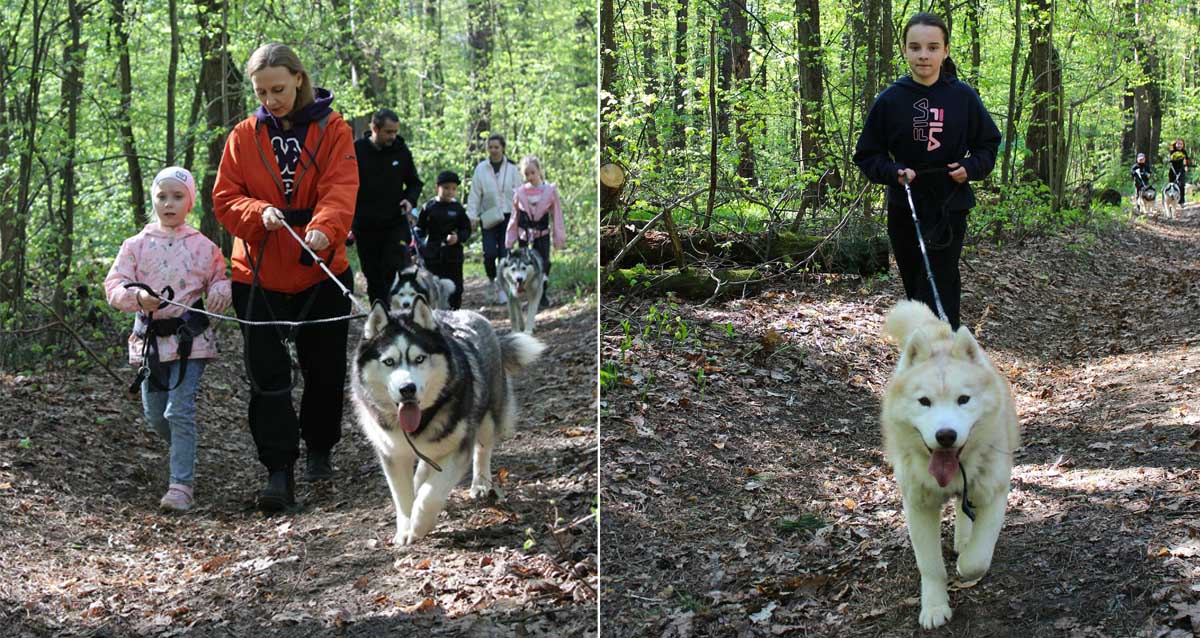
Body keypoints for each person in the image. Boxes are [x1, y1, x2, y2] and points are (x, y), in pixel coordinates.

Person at [212, 43, 359, 512]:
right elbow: (225, 198)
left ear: (299, 78)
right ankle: (279, 469)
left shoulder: (333, 129)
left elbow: (341, 186)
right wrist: (259, 213)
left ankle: (320, 448)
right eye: (262, 91)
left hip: (321, 267)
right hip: (256, 272)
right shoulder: (242, 135)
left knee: (325, 368)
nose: (271, 99)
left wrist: (323, 229)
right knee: (268, 377)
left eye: (278, 88)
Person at [853, 12, 1001, 332]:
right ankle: (923, 357)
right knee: (915, 281)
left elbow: (988, 144)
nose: (924, 55)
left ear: (945, 50)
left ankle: (944, 357)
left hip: (950, 201)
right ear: (905, 50)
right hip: (905, 203)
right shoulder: (890, 100)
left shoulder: (963, 96)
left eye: (933, 47)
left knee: (941, 281)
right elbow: (866, 154)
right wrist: (894, 172)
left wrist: (970, 168)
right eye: (915, 47)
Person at [104, 167, 231, 512]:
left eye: (177, 197)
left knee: (179, 411)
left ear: (189, 203)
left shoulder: (204, 247)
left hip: (192, 342)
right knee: (157, 416)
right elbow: (114, 286)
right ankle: (184, 449)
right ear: (153, 201)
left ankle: (180, 486)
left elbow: (220, 277)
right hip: (150, 344)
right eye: (162, 197)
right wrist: (137, 297)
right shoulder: (135, 245)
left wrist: (221, 291)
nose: (169, 204)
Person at [351, 108, 424, 306]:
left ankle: (399, 312)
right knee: (373, 276)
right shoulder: (356, 151)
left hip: (394, 224)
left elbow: (415, 183)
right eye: (388, 132)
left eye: (395, 132)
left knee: (392, 268)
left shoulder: (401, 151)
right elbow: (345, 187)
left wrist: (410, 200)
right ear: (375, 128)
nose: (393, 136)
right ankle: (380, 316)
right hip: (365, 226)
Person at [466, 133, 522, 304]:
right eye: (490, 147)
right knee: (489, 253)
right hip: (488, 216)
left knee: (504, 254)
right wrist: (472, 216)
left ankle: (503, 287)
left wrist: (522, 214)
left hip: (508, 216)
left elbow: (519, 192)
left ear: (503, 148)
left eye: (497, 147)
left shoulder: (512, 168)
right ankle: (491, 280)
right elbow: (475, 194)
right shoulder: (481, 169)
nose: (493, 150)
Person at [506, 155, 566, 308]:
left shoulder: (549, 191)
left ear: (539, 171)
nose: (530, 176)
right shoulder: (520, 193)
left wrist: (559, 237)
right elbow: (515, 217)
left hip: (542, 235)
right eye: (526, 174)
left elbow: (557, 216)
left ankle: (542, 294)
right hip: (524, 236)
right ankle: (531, 296)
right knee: (526, 265)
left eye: (533, 172)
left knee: (544, 263)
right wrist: (510, 239)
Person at [415, 171, 472, 309]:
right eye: (446, 188)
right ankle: (433, 315)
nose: (449, 191)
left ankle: (454, 314)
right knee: (432, 287)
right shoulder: (428, 207)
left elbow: (466, 229)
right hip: (432, 256)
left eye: (453, 188)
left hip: (453, 256)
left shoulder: (458, 209)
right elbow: (419, 229)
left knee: (456, 288)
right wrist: (416, 248)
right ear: (438, 188)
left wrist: (457, 238)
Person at [1168, 138, 1189, 205]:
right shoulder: (1172, 150)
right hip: (1173, 170)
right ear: (1175, 144)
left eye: (1181, 144)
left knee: (1181, 185)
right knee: (1172, 185)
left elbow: (1186, 160)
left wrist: (1186, 166)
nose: (1179, 145)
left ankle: (1181, 201)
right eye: (1178, 144)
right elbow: (1169, 158)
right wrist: (1173, 144)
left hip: (1181, 170)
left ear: (1183, 145)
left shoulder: (1184, 152)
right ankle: (1172, 201)